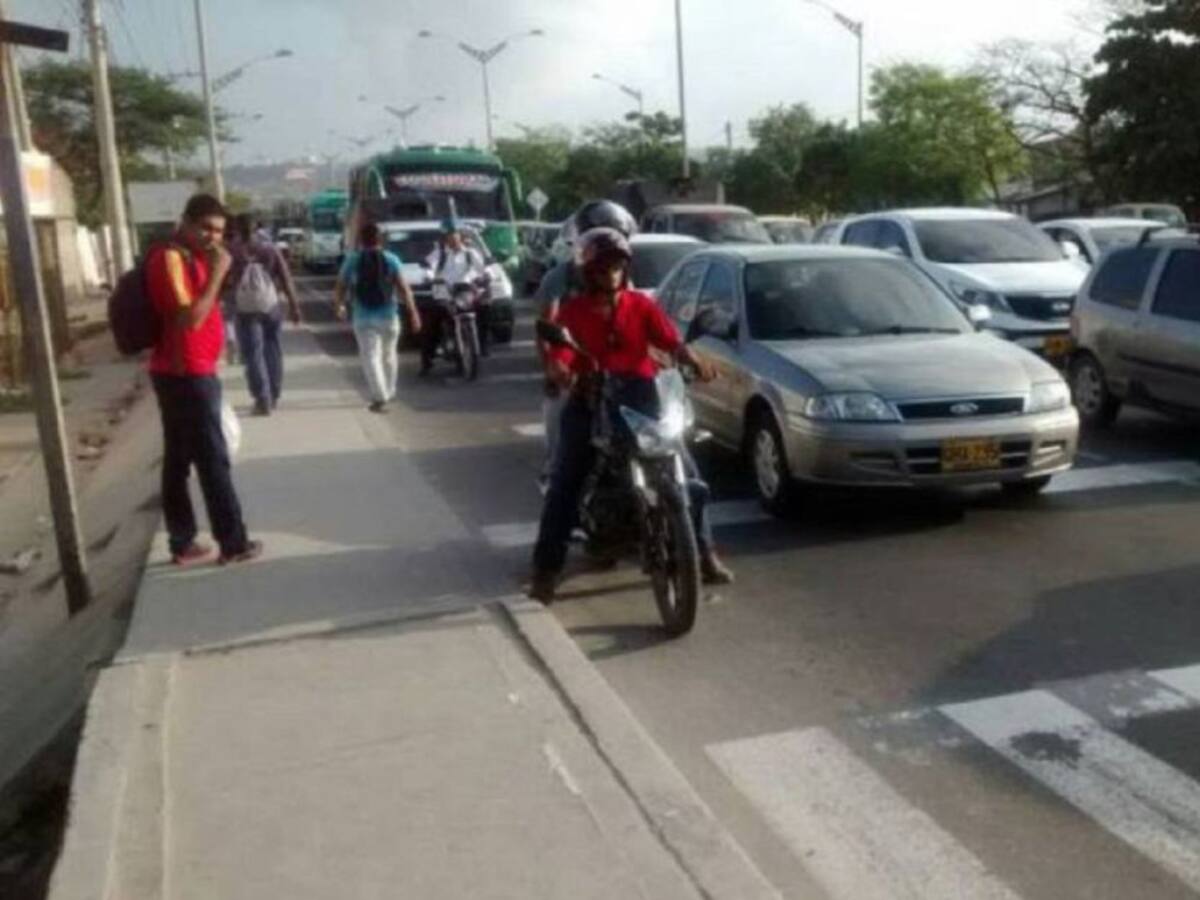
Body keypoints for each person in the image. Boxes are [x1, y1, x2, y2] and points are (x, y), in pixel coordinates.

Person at [528, 227, 734, 603]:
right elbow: (563, 353)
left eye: (617, 267)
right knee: (565, 483)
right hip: (591, 401)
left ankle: (705, 553)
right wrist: (559, 368)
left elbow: (669, 342)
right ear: (589, 272)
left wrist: (694, 360)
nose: (611, 273)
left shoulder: (641, 306)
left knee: (686, 470)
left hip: (642, 399)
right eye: (604, 267)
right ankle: (545, 571)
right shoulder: (573, 313)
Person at [146, 193, 261, 566]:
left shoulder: (190, 256)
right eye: (206, 228)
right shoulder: (170, 258)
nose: (213, 237)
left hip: (187, 371)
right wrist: (217, 274)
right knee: (213, 460)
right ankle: (233, 542)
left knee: (178, 460)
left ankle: (182, 541)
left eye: (220, 231)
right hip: (186, 375)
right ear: (186, 222)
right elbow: (189, 318)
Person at [534, 200, 639, 487]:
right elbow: (548, 325)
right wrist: (553, 370)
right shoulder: (560, 277)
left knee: (676, 448)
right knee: (559, 412)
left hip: (615, 364)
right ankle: (554, 472)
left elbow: (641, 322)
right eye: (597, 241)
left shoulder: (623, 280)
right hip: (576, 361)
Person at [334, 222, 422, 412]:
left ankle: (379, 395)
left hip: (363, 316)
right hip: (389, 315)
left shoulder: (353, 260)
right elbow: (404, 289)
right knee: (389, 355)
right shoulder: (391, 259)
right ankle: (389, 392)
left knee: (370, 357)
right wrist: (413, 313)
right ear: (380, 239)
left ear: (361, 240)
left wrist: (340, 305)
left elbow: (340, 285)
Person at [225, 213, 301, 416]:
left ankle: (262, 398)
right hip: (271, 306)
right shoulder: (269, 248)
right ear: (256, 227)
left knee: (253, 354)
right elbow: (285, 278)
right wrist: (294, 306)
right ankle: (274, 394)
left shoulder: (231, 250)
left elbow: (223, 282)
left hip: (245, 310)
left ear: (237, 228)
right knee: (273, 349)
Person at [419, 217, 490, 374]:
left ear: (460, 235)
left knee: (484, 309)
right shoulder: (440, 253)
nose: (451, 238)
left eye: (454, 234)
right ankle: (427, 360)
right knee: (432, 322)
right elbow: (429, 267)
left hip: (464, 293)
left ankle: (481, 346)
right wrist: (430, 276)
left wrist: (485, 277)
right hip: (443, 294)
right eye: (447, 235)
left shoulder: (471, 254)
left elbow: (483, 270)